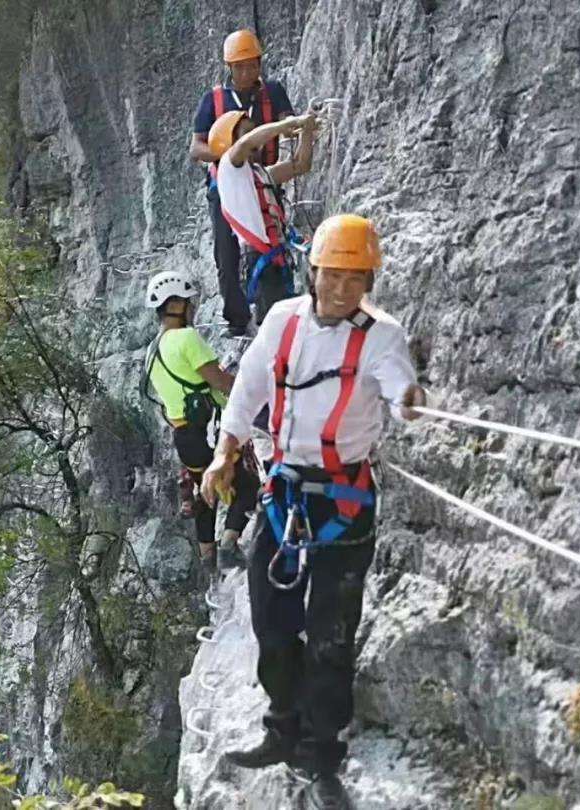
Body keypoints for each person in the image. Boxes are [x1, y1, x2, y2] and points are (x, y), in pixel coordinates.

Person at [200, 215, 426, 807]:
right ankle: (283, 724)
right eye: (334, 275)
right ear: (313, 270)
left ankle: (322, 745)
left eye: (358, 278)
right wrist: (224, 456)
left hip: (343, 497)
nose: (344, 288)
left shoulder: (382, 335)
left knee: (331, 626)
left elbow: (399, 388)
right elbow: (248, 389)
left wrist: (409, 400)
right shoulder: (282, 321)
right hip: (285, 491)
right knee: (271, 615)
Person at [142, 270, 260, 578]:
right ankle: (229, 547)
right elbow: (220, 382)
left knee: (205, 492)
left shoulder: (152, 351)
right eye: (189, 302)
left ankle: (207, 558)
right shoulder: (186, 338)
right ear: (176, 304)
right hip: (207, 431)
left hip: (185, 437)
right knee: (246, 486)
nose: (193, 308)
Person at [190, 29, 294, 336]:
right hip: (225, 186)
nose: (247, 72)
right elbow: (196, 147)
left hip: (263, 181)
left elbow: (287, 122)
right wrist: (231, 155)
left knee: (268, 246)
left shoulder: (273, 92)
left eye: (252, 65)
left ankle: (269, 314)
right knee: (227, 253)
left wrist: (294, 128)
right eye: (240, 66)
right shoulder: (214, 100)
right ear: (229, 68)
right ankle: (236, 319)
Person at [208, 108, 320, 326]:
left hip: (275, 258)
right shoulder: (229, 170)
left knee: (288, 326)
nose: (256, 138)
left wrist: (306, 131)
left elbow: (300, 164)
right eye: (248, 132)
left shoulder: (258, 173)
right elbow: (245, 144)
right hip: (259, 260)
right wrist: (286, 125)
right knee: (277, 328)